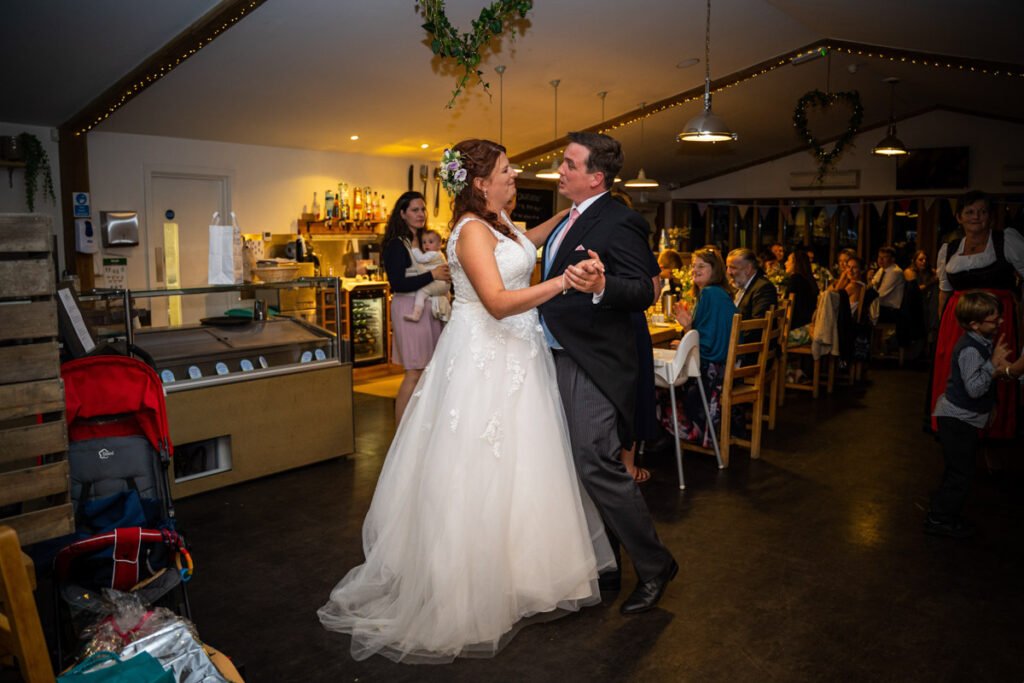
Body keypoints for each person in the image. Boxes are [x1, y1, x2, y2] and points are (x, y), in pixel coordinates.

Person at [318, 139, 614, 663]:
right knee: (480, 467)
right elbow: (498, 303)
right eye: (505, 170)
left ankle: (523, 574)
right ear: (480, 182)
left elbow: (530, 240)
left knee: (525, 467)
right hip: (487, 357)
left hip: (519, 359)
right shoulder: (472, 231)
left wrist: (576, 214)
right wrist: (563, 282)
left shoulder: (499, 224)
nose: (514, 175)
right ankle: (473, 584)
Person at [537, 131, 677, 615]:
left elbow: (644, 289)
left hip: (593, 358)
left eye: (570, 164)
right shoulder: (567, 221)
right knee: (578, 465)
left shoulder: (620, 221)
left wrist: (602, 284)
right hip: (557, 352)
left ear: (595, 176)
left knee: (597, 459)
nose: (562, 170)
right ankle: (607, 560)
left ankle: (656, 565)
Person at [930, 190, 1024, 439]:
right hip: (956, 321)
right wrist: (942, 327)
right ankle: (956, 425)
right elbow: (944, 292)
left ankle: (995, 429)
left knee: (992, 371)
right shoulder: (949, 249)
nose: (976, 216)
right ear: (959, 217)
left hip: (997, 322)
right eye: (969, 211)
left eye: (982, 211)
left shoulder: (1007, 241)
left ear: (990, 217)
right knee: (958, 374)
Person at [926, 291, 1011, 538]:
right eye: (994, 320)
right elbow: (974, 389)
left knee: (959, 471)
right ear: (974, 324)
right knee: (960, 474)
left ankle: (944, 513)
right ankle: (939, 519)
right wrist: (993, 367)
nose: (1000, 323)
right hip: (956, 420)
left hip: (963, 419)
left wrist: (992, 404)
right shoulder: (970, 349)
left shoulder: (982, 341)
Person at [381, 191, 450, 424]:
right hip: (409, 309)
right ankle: (402, 431)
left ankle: (419, 426)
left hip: (427, 307)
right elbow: (398, 283)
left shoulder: (422, 242)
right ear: (402, 214)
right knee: (414, 371)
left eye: (422, 209)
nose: (421, 214)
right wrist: (433, 274)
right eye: (415, 210)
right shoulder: (396, 246)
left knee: (427, 371)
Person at [662, 247, 737, 446]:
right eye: (693, 266)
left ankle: (669, 437)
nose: (695, 270)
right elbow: (708, 335)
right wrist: (688, 332)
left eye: (701, 266)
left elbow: (706, 345)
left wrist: (687, 331)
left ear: (715, 270)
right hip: (722, 366)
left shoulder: (710, 294)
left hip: (709, 372)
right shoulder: (720, 294)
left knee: (657, 382)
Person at [402, 229, 451, 323]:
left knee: (421, 291)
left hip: (440, 282)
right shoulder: (439, 254)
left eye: (430, 242)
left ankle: (416, 314)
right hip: (443, 283)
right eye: (424, 242)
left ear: (439, 244)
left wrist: (414, 248)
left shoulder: (433, 254)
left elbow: (420, 259)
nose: (426, 245)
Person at [727, 247, 777, 321]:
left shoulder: (764, 288)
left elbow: (758, 325)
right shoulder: (739, 284)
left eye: (733, 268)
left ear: (748, 269)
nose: (728, 272)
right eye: (727, 267)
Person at [784, 250, 819, 345]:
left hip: (797, 329)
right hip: (807, 325)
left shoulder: (795, 279)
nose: (785, 263)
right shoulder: (809, 280)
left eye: (788, 260)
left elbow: (786, 306)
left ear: (796, 264)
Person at [869, 246, 905, 324]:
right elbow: (872, 285)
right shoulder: (882, 269)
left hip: (890, 311)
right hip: (880, 307)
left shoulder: (895, 272)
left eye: (884, 257)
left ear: (892, 259)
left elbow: (880, 294)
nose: (880, 260)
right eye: (879, 257)